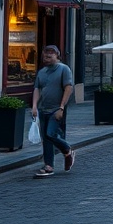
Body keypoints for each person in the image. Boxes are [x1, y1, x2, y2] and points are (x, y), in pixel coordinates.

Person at [31, 45, 75, 178]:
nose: (47, 56)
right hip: (43, 109)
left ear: (57, 56)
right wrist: (34, 106)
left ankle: (67, 150)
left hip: (56, 109)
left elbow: (68, 88)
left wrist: (61, 107)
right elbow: (37, 89)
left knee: (51, 134)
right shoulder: (42, 72)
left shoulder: (64, 69)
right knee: (46, 139)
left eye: (51, 54)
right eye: (45, 54)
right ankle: (48, 166)